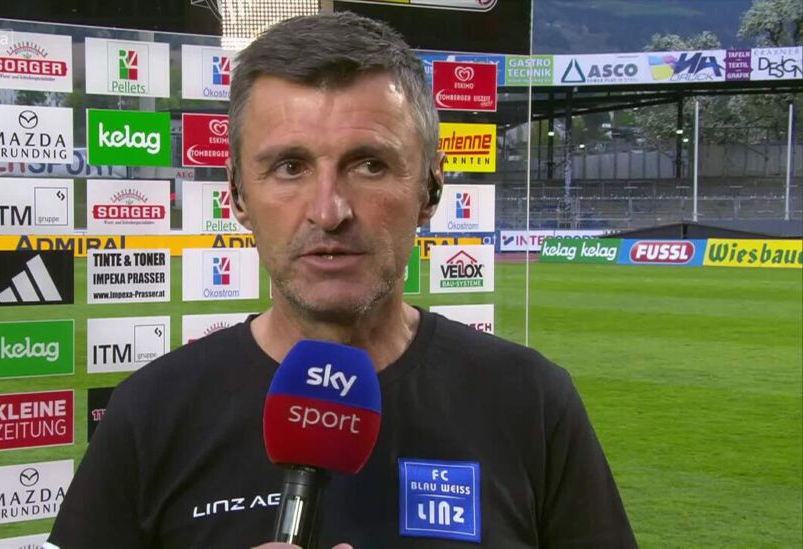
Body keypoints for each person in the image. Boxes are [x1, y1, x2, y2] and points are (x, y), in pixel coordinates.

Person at [49, 12, 636, 548]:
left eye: (370, 164)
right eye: (290, 167)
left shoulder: (532, 401)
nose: (329, 211)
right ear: (237, 196)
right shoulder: (150, 412)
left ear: (430, 189)